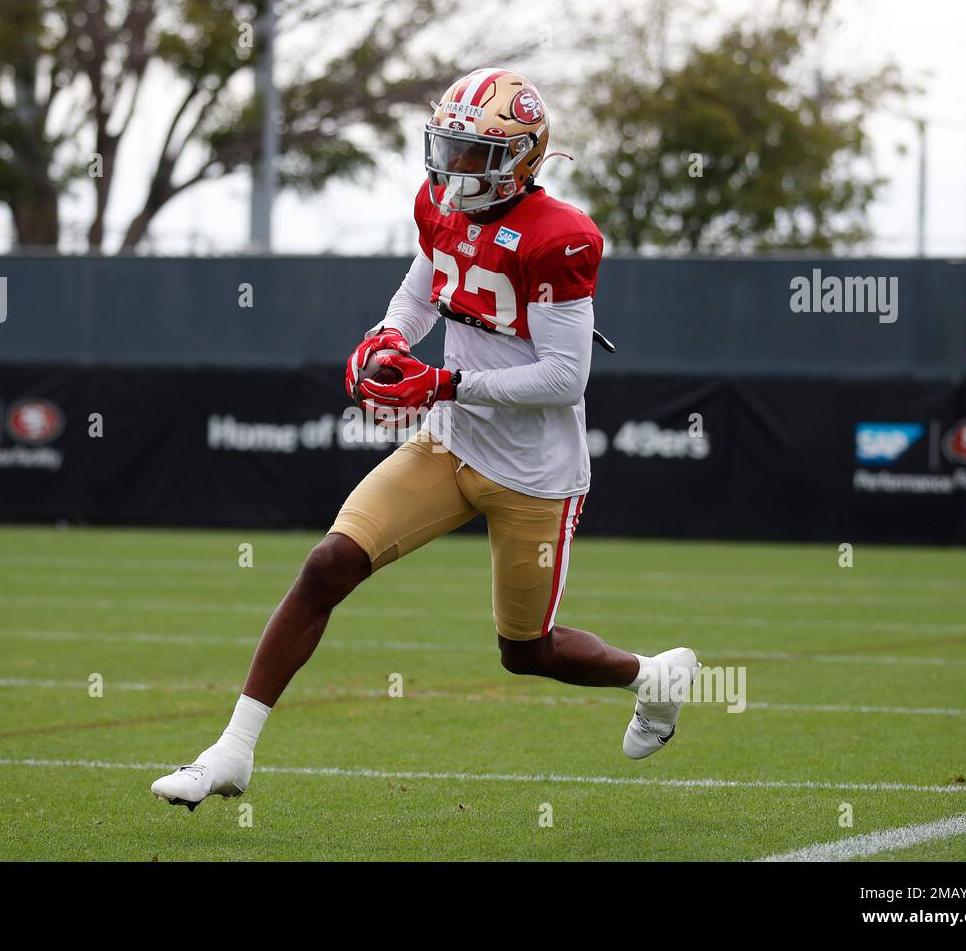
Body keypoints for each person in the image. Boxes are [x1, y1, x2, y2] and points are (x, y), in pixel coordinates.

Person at [152, 68, 699, 810]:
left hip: (533, 473)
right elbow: (421, 290)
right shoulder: (439, 205)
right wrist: (385, 341)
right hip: (447, 445)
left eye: (475, 154)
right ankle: (231, 752)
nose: (455, 168)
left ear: (523, 158)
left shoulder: (560, 237)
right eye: (450, 147)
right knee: (327, 565)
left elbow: (566, 378)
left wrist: (442, 383)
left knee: (525, 652)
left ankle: (652, 676)